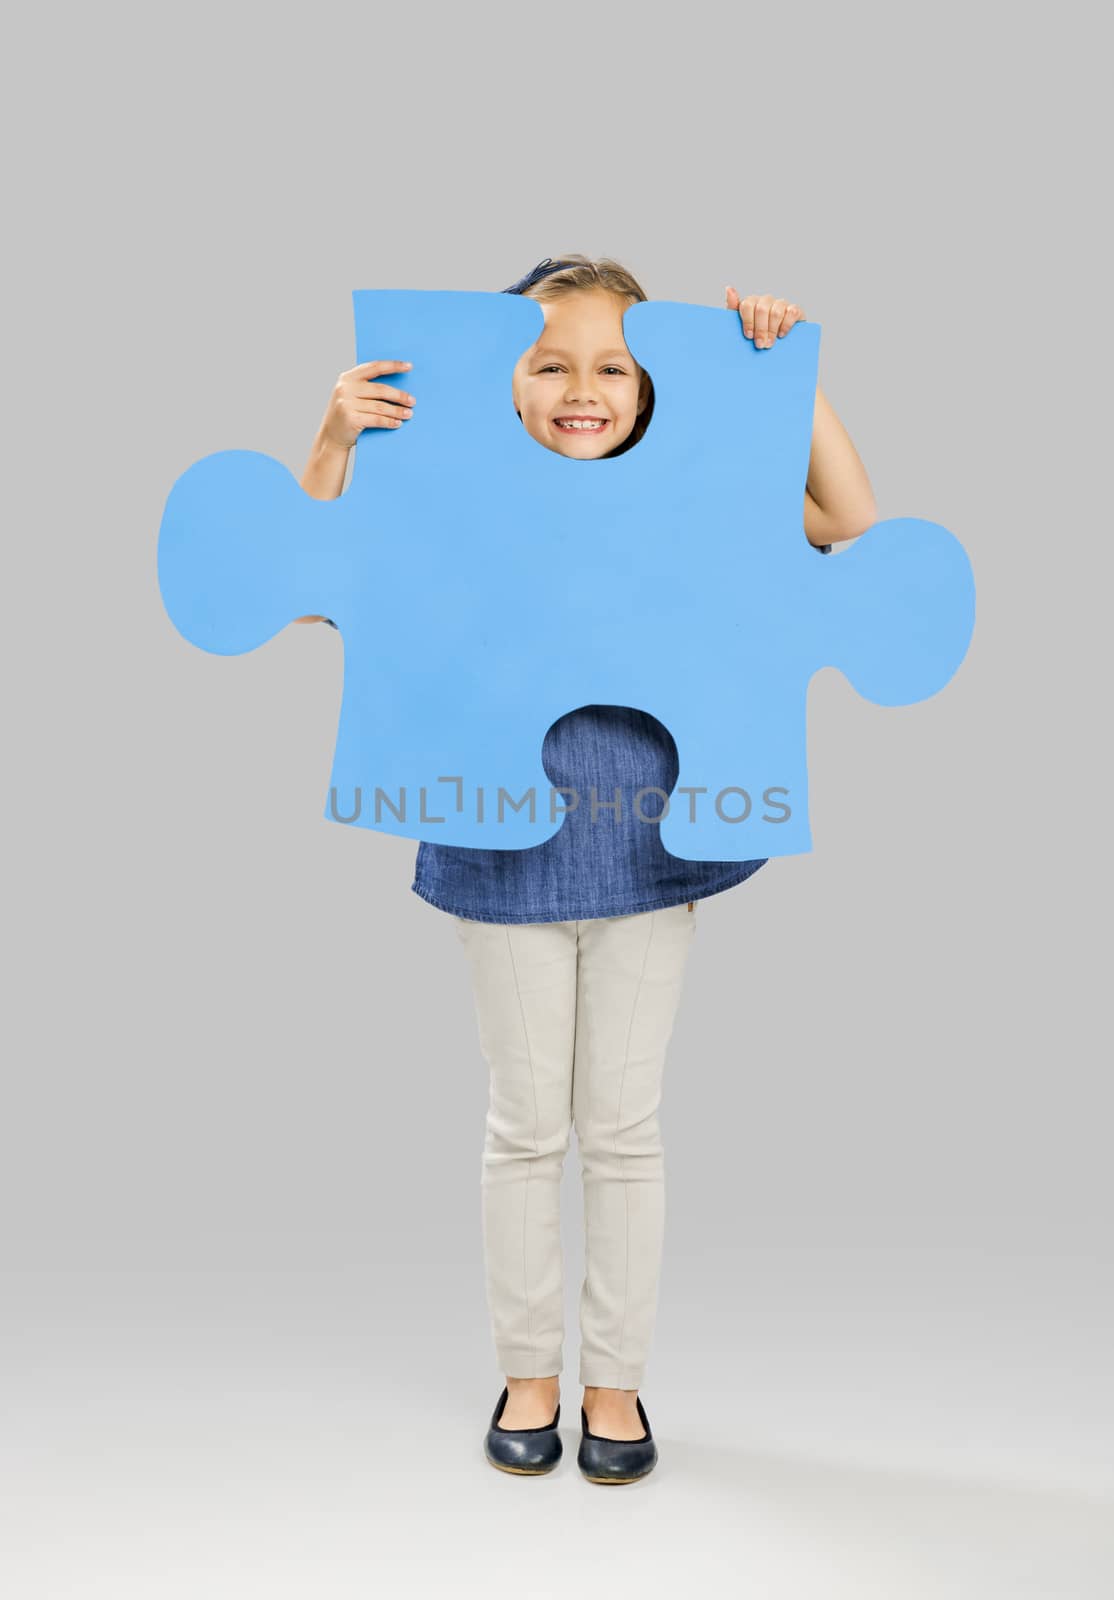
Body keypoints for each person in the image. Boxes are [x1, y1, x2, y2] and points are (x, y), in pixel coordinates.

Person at [294, 254, 878, 1482]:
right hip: (491, 823)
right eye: (549, 363)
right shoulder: (450, 498)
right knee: (522, 1124)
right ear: (503, 388)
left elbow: (849, 523)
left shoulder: (695, 497)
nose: (581, 388)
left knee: (621, 1127)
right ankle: (528, 1372)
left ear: (650, 389)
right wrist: (336, 430)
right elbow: (316, 572)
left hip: (650, 827)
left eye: (612, 365)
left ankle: (614, 1385)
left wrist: (786, 372)